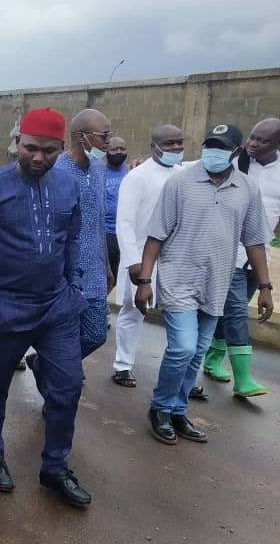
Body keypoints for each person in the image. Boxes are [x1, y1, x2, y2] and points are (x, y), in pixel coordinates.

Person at [0, 107, 93, 507]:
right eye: (31, 148)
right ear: (18, 143)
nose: (38, 157)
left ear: (61, 148)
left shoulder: (69, 185)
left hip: (56, 307)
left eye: (49, 151)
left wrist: (75, 286)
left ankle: (55, 468)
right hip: (4, 307)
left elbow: (71, 238)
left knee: (68, 386)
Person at [135, 123, 272, 445]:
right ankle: (159, 408)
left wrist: (265, 287)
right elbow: (157, 233)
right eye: (210, 144)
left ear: (236, 152)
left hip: (217, 281)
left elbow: (254, 241)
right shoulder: (180, 182)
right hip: (179, 276)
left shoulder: (247, 189)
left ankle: (177, 410)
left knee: (197, 351)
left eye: (222, 147)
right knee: (182, 346)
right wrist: (144, 279)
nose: (213, 152)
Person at [26, 108, 114, 387]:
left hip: (95, 272)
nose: (108, 142)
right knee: (60, 336)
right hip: (64, 273)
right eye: (105, 136)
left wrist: (107, 265)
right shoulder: (56, 172)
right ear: (83, 137)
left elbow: (98, 221)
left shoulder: (99, 171)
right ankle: (57, 389)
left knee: (96, 333)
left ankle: (46, 365)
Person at [203, 118, 280, 396]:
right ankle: (243, 379)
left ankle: (212, 359)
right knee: (236, 310)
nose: (253, 143)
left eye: (262, 140)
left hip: (257, 253)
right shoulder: (235, 161)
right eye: (253, 137)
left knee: (228, 311)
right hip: (228, 251)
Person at [111, 125, 185, 387]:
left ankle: (181, 373)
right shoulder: (137, 177)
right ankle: (123, 365)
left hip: (175, 257)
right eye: (169, 144)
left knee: (180, 315)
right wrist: (134, 262)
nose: (176, 148)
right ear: (154, 145)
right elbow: (125, 223)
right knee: (134, 312)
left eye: (179, 143)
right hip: (142, 255)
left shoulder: (182, 174)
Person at [104, 136, 129, 279]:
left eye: (122, 148)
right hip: (107, 232)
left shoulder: (131, 171)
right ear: (106, 150)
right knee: (109, 274)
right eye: (114, 149)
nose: (119, 152)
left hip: (125, 231)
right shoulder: (98, 171)